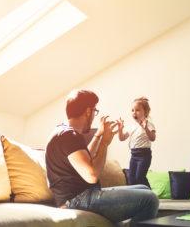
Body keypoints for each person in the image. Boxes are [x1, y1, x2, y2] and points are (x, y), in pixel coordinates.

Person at [45, 90, 158, 226]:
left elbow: (88, 156)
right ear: (88, 111)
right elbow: (92, 175)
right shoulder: (69, 136)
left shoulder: (65, 132)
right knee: (150, 199)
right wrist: (105, 143)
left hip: (82, 195)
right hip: (76, 200)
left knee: (143, 188)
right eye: (94, 111)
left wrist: (98, 135)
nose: (94, 115)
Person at [117, 97, 156, 187]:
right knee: (131, 179)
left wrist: (145, 128)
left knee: (140, 177)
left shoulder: (149, 125)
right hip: (134, 155)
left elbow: (152, 138)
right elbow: (122, 138)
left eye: (137, 110)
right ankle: (138, 198)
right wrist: (120, 129)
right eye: (132, 110)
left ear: (145, 112)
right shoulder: (131, 126)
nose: (134, 112)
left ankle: (150, 196)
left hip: (144, 155)